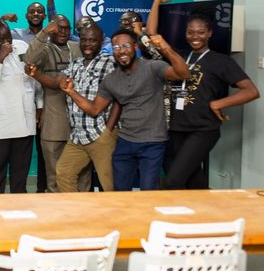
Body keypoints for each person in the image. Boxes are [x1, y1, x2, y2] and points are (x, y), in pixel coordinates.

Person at [146, 0, 260, 189]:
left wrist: (219, 103)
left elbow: (251, 91)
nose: (195, 37)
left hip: (203, 129)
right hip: (176, 127)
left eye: (200, 32)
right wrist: (156, 1)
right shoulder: (180, 56)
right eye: (190, 32)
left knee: (173, 181)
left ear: (209, 33)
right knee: (193, 180)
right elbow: (151, 35)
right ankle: (206, 207)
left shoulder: (221, 61)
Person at [60, 28, 190, 191]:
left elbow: (183, 74)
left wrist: (165, 47)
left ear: (135, 46)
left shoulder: (152, 67)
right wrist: (71, 92)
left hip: (153, 141)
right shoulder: (111, 80)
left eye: (126, 46)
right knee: (119, 191)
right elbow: (94, 109)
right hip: (125, 141)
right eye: (116, 47)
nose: (121, 51)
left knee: (148, 190)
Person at [27, 24, 120, 192]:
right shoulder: (76, 64)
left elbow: (94, 109)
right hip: (78, 136)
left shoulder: (110, 64)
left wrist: (71, 91)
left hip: (100, 134)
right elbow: (58, 83)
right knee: (63, 174)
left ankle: (120, 210)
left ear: (101, 41)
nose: (87, 44)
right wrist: (36, 74)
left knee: (109, 185)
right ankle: (78, 208)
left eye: (92, 40)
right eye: (84, 40)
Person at [0, 20, 42, 194]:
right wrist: (0, 58)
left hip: (24, 118)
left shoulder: (22, 46)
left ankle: (19, 205)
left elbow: (34, 79)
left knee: (20, 172)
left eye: (8, 38)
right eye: (1, 40)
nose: (7, 43)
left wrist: (40, 106)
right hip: (0, 122)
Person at [26, 14, 82, 192]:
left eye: (66, 28)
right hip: (54, 123)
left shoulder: (77, 47)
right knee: (54, 176)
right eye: (59, 28)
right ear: (52, 29)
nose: (63, 32)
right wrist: (44, 33)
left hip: (80, 124)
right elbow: (28, 59)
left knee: (81, 176)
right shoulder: (45, 49)